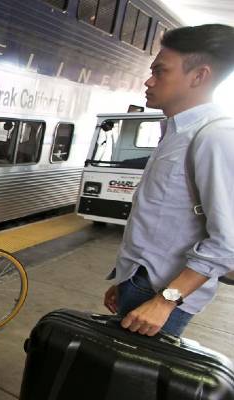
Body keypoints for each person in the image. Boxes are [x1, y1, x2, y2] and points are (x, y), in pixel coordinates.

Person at [103, 24, 234, 337]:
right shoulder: (177, 133)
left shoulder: (215, 136)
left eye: (160, 72)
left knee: (128, 383)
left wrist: (164, 301)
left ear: (199, 76)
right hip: (140, 287)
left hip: (163, 299)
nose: (149, 81)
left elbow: (226, 242)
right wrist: (127, 279)